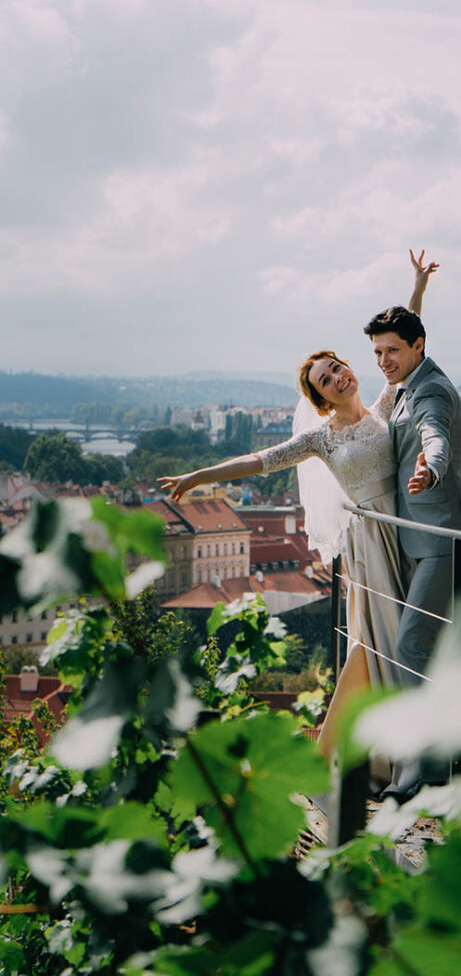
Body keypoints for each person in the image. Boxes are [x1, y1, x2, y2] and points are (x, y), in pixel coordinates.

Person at [158, 251, 438, 797]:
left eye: (336, 368)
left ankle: (375, 748)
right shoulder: (320, 438)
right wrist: (198, 476)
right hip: (370, 544)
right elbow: (257, 461)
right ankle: (392, 756)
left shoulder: (383, 407)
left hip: (403, 535)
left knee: (405, 638)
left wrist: (418, 288)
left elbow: (405, 342)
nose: (336, 378)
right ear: (319, 397)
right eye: (324, 380)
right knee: (384, 643)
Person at [362, 302, 461, 798]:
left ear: (418, 346)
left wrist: (431, 469)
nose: (384, 361)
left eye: (392, 351)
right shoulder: (407, 384)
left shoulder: (430, 389)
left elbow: (434, 436)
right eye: (377, 352)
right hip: (435, 536)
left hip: (443, 539)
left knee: (412, 645)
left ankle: (426, 766)